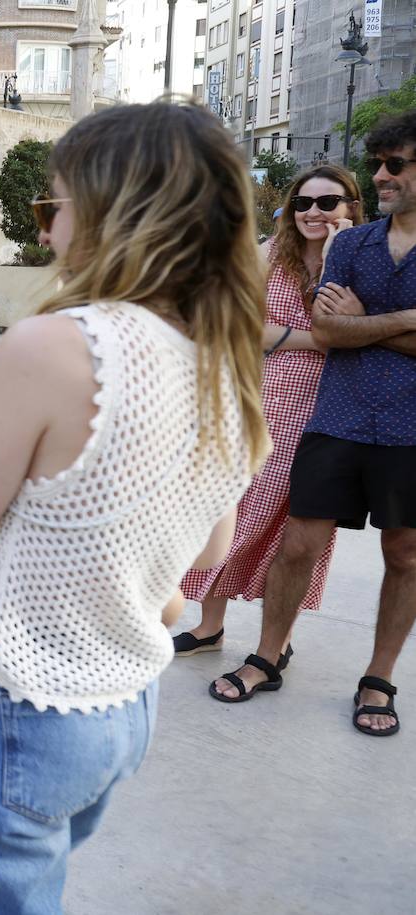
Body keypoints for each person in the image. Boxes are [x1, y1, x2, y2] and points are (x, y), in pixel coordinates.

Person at [0, 101, 265, 910]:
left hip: (10, 700)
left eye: (51, 207)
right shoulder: (223, 359)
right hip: (122, 702)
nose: (46, 232)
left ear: (107, 213)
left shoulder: (62, 344)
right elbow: (206, 550)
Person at [209, 112, 416, 737]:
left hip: (411, 427)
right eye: (378, 163)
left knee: (405, 553)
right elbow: (326, 332)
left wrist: (363, 325)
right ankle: (268, 655)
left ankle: (378, 676)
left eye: (395, 164)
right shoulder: (351, 245)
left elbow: (343, 331)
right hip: (338, 415)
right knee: (298, 541)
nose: (379, 174)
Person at [176, 165, 362, 658]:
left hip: (332, 407)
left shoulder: (360, 259)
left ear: (351, 207)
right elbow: (239, 325)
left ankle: (278, 641)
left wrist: (338, 258)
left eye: (327, 203)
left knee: (300, 529)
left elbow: (368, 331)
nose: (313, 213)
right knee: (234, 509)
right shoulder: (270, 255)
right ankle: (208, 625)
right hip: (263, 400)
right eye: (303, 203)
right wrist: (321, 339)